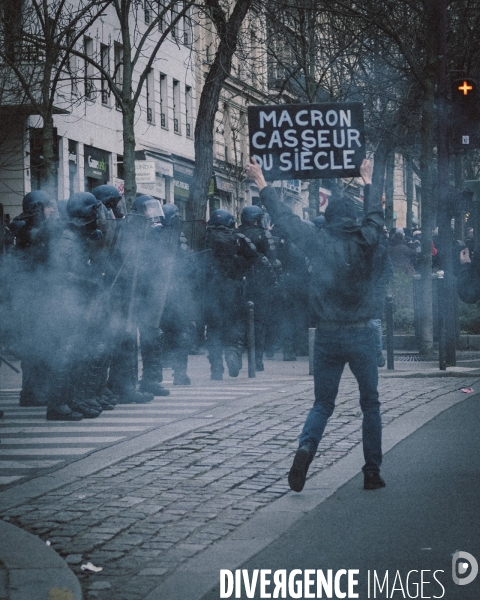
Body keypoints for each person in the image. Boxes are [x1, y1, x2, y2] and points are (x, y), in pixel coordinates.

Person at [246, 157, 386, 492]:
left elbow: (285, 219)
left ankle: (306, 448)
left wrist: (262, 183)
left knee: (322, 403)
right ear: (353, 218)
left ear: (327, 218)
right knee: (370, 403)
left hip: (327, 334)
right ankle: (371, 472)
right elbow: (376, 218)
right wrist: (367, 180)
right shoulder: (366, 240)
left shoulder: (317, 240)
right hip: (362, 331)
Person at [204, 209, 259, 380]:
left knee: (213, 330)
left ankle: (216, 369)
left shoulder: (204, 238)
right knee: (234, 325)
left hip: (211, 292)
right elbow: (254, 256)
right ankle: (233, 354)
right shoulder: (239, 239)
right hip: (234, 290)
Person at [238, 205, 281, 370]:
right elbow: (273, 259)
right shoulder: (263, 235)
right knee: (259, 322)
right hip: (260, 284)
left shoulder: (236, 233)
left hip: (238, 284)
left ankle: (237, 355)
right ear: (256, 219)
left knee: (240, 321)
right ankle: (257, 361)